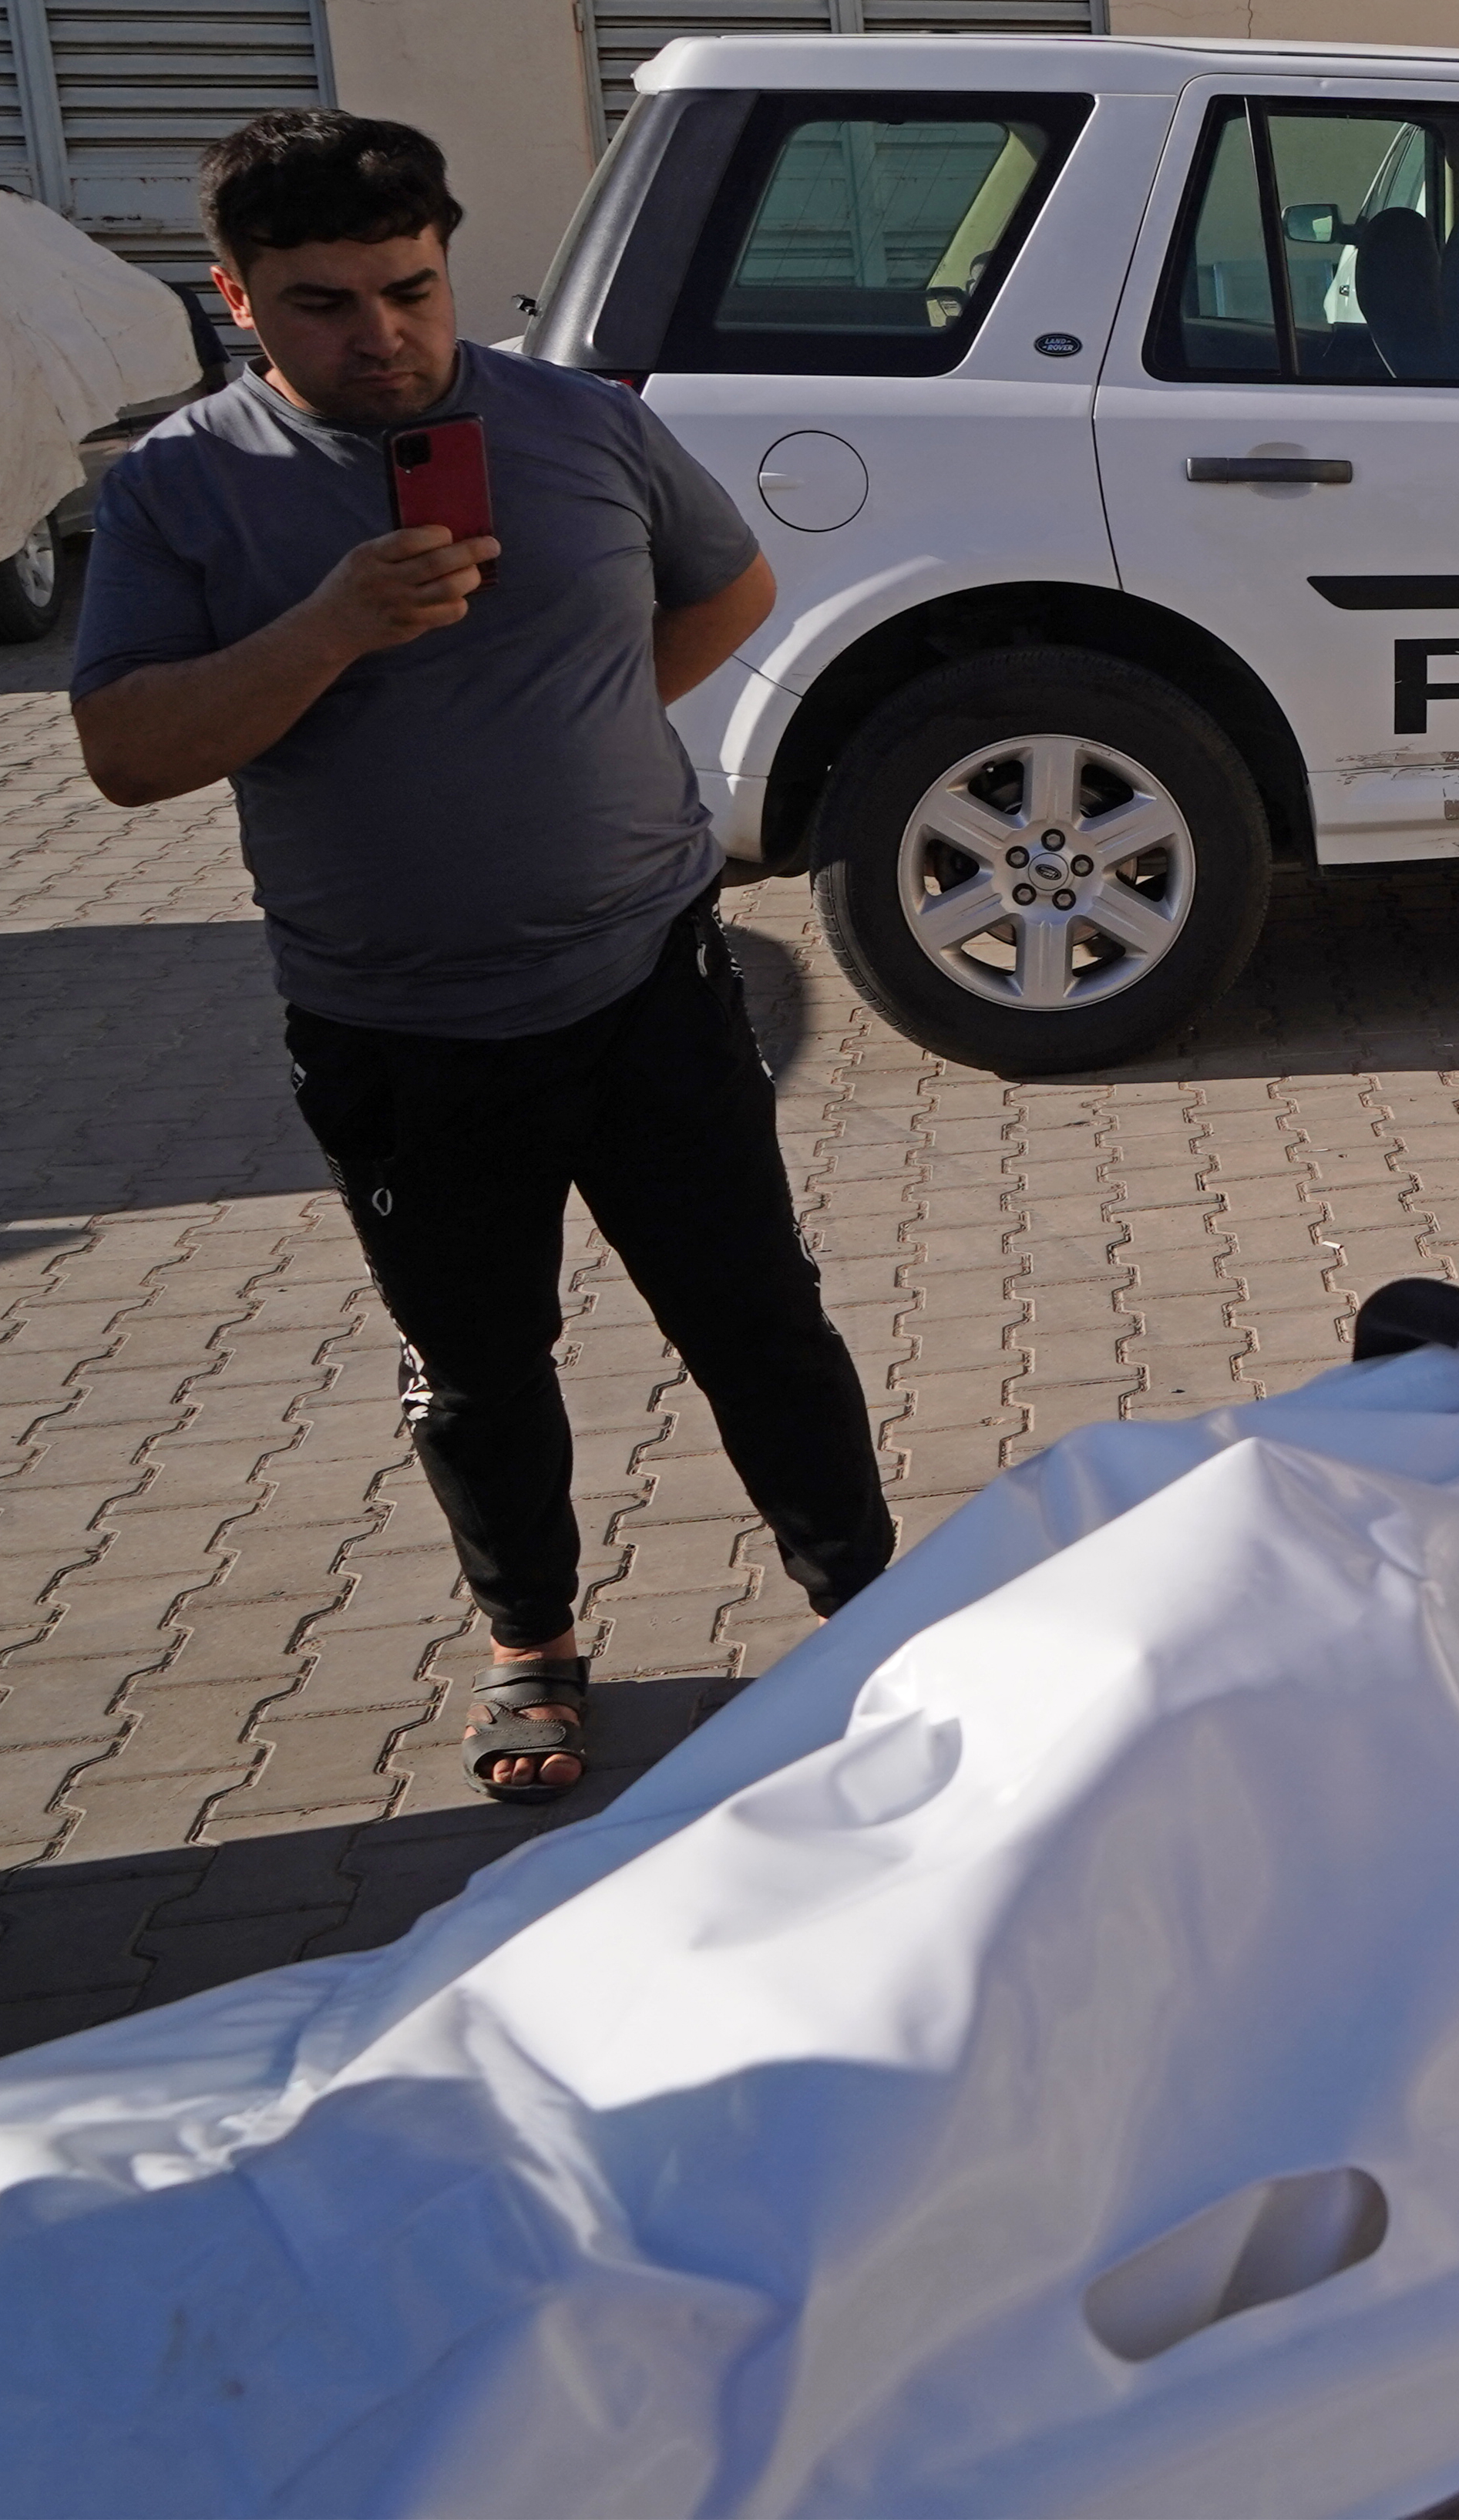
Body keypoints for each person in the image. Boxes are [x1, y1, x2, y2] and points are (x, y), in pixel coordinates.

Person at [70, 112, 893, 1803]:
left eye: (411, 288)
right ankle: (534, 1641)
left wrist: (571, 717)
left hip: (648, 980)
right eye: (320, 304)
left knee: (758, 1321)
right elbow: (130, 750)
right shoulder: (178, 487)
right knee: (478, 1363)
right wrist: (331, 628)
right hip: (399, 1025)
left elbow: (729, 596)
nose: (380, 336)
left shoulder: (582, 424)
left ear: (449, 262)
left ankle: (880, 1612)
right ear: (234, 298)